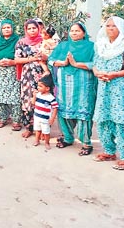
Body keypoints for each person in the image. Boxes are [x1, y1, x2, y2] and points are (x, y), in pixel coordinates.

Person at [92, 16, 124, 171]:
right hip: (104, 87)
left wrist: (116, 74)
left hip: (123, 89)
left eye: (114, 26)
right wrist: (98, 73)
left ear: (121, 28)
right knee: (103, 119)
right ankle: (109, 151)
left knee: (122, 120)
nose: (110, 28)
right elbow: (95, 64)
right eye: (108, 25)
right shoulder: (101, 45)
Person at [48, 22, 97, 156]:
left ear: (84, 33)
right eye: (72, 30)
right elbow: (51, 60)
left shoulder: (91, 47)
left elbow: (96, 64)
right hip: (64, 84)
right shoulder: (63, 46)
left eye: (77, 31)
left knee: (83, 111)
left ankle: (86, 142)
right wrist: (63, 63)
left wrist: (76, 64)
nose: (74, 33)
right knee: (64, 110)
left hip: (83, 84)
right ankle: (68, 138)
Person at [15, 19, 45, 137]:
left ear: (38, 29)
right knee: (27, 101)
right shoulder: (21, 43)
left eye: (34, 28)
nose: (32, 31)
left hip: (42, 74)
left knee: (42, 101)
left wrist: (44, 56)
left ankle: (42, 130)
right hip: (27, 76)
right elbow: (17, 59)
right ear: (26, 30)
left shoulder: (44, 41)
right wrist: (31, 59)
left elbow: (51, 56)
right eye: (29, 29)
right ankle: (29, 128)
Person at [0, 19, 21, 129]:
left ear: (12, 28)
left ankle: (16, 120)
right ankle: (3, 118)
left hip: (13, 72)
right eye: (4, 28)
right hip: (0, 72)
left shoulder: (18, 41)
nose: (6, 30)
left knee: (15, 96)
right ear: (1, 30)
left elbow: (22, 56)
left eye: (8, 27)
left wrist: (12, 62)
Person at [31, 74, 58, 150]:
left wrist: (52, 118)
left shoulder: (51, 98)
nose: (38, 88)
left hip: (45, 119)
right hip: (37, 117)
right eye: (38, 86)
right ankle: (37, 140)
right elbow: (33, 103)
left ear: (47, 88)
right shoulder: (38, 95)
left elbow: (55, 108)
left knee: (46, 132)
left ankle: (47, 143)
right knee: (37, 130)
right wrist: (34, 96)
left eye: (40, 86)